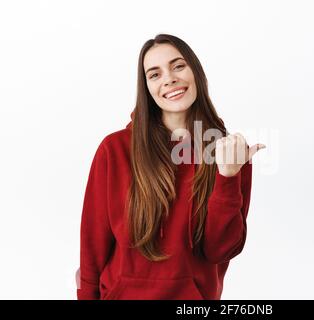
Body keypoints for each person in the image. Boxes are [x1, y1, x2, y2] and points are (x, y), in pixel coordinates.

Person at [76, 34, 265, 300]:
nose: (169, 78)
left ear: (195, 73)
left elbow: (220, 251)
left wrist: (228, 176)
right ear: (147, 88)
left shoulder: (227, 152)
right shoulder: (114, 149)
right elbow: (92, 246)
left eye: (178, 66)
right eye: (154, 74)